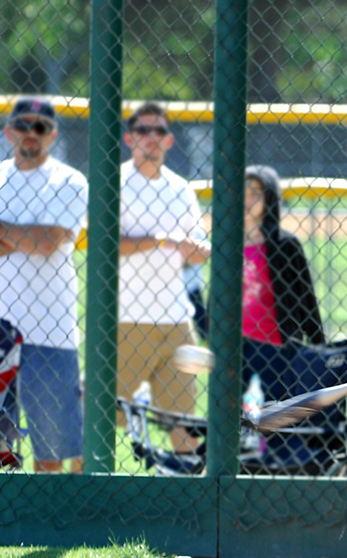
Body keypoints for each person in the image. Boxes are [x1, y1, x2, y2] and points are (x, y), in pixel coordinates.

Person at [0, 97, 89, 473]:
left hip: (50, 330)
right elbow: (40, 239)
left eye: (40, 127)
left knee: (51, 448)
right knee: (2, 446)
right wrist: (30, 237)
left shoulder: (69, 180)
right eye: (23, 125)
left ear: (52, 135)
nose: (30, 133)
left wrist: (11, 235)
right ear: (8, 131)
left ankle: (51, 524)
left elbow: (51, 241)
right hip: (1, 320)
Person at [117, 102, 210, 454]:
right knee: (101, 418)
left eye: (158, 131)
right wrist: (160, 240)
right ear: (129, 138)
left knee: (184, 428)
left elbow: (200, 248)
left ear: (170, 140)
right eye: (143, 130)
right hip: (127, 318)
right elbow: (105, 245)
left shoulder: (180, 188)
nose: (151, 138)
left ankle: (186, 502)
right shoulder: (116, 183)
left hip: (176, 320)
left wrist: (194, 249)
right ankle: (86, 500)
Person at [240, 164, 325, 402]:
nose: (248, 198)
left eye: (256, 191)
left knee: (275, 422)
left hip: (275, 348)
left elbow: (306, 298)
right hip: (234, 349)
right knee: (234, 423)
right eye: (243, 190)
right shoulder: (228, 242)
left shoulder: (285, 244)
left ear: (270, 197)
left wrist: (319, 347)